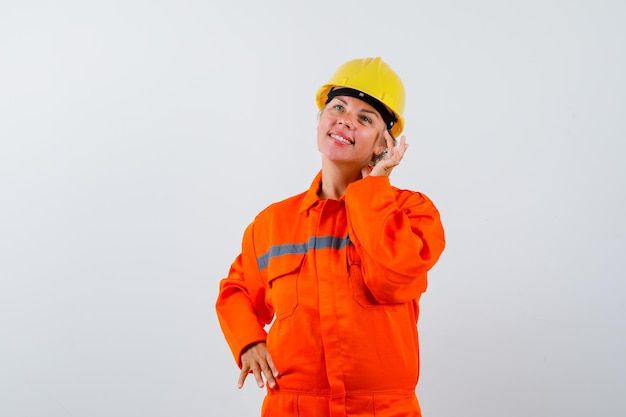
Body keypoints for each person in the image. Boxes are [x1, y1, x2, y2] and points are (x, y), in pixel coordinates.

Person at [216, 57, 446, 417]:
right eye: (337, 107)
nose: (345, 119)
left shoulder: (411, 213)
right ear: (320, 121)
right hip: (292, 406)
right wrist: (247, 341)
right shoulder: (273, 222)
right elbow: (237, 290)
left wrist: (375, 187)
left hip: (382, 409)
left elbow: (393, 279)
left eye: (365, 118)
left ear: (382, 145)